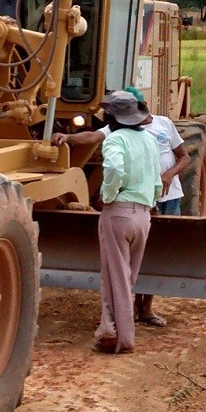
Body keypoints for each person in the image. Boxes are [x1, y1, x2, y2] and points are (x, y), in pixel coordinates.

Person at [52, 86, 189, 328]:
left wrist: (167, 176)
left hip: (168, 196)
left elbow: (184, 156)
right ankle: (125, 314)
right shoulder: (120, 129)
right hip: (144, 200)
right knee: (136, 257)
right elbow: (93, 136)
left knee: (154, 254)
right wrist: (69, 138)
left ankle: (143, 308)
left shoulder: (163, 124)